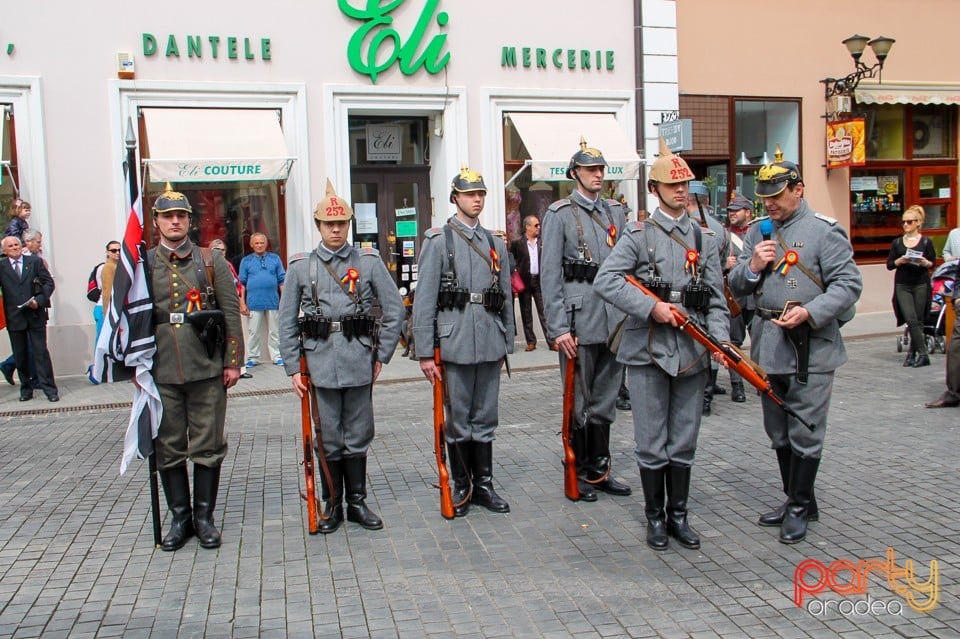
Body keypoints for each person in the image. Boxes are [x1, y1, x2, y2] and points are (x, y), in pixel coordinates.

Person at [594, 139, 728, 550]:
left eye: (685, 184)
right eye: (672, 186)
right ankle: (655, 518)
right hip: (649, 349)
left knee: (684, 438)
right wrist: (652, 307)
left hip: (692, 351)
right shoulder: (638, 235)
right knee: (651, 440)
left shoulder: (705, 239)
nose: (681, 191)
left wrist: (721, 343)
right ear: (654, 190)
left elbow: (717, 298)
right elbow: (607, 280)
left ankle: (679, 516)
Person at [727, 151, 862, 545]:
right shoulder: (758, 231)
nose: (769, 202)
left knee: (806, 427)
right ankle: (798, 498)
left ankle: (800, 507)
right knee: (778, 430)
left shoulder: (825, 231)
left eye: (778, 195)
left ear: (798, 190)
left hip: (811, 345)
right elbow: (736, 284)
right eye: (764, 195)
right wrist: (751, 266)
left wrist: (811, 312)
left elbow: (848, 285)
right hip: (770, 342)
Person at [279, 180, 403, 533]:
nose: (336, 229)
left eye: (342, 223)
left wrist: (383, 353)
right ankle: (333, 502)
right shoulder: (302, 267)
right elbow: (288, 319)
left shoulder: (368, 261)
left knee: (359, 433)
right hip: (319, 361)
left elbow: (394, 309)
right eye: (329, 224)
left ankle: (357, 502)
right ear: (318, 226)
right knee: (328, 435)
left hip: (359, 358)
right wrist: (292, 367)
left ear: (349, 224)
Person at [412, 166, 515, 517]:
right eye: (471, 194)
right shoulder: (439, 241)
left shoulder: (495, 242)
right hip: (454, 339)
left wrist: (508, 342)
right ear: (456, 198)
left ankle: (484, 484)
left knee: (485, 415)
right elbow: (424, 299)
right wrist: (425, 352)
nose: (477, 199)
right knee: (458, 417)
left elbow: (504, 296)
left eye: (481, 194)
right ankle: (462, 483)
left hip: (488, 338)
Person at [148, 185, 244, 551]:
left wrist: (232, 361)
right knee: (168, 446)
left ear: (189, 221)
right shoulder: (145, 264)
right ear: (157, 222)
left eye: (181, 216)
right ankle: (179, 518)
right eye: (168, 216)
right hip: (162, 369)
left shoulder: (209, 260)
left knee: (207, 444)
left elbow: (230, 311)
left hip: (205, 365)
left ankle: (204, 518)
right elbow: (135, 315)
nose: (175, 222)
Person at [540, 138, 632, 503]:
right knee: (578, 400)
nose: (597, 175)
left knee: (606, 398)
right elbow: (548, 276)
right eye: (590, 169)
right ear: (574, 173)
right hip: (579, 320)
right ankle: (578, 470)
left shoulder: (616, 213)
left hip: (614, 317)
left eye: (600, 169)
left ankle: (600, 469)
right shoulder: (560, 214)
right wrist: (558, 327)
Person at [687, 182, 731, 415]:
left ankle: (701, 398)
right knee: (713, 341)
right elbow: (724, 261)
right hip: (714, 288)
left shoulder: (688, 227)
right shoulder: (720, 229)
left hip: (691, 295)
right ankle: (707, 394)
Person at [0, 235, 59, 402]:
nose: (14, 248)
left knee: (40, 353)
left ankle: (50, 390)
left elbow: (49, 283)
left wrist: (39, 301)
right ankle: (26, 389)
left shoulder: (35, 262)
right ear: (5, 250)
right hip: (15, 317)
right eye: (10, 246)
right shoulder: (2, 266)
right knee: (20, 355)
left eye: (16, 244)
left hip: (35, 314)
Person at [887, 205, 935, 368]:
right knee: (910, 318)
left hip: (921, 283)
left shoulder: (926, 242)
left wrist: (925, 263)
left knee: (918, 320)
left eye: (909, 222)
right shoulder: (897, 243)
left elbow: (932, 263)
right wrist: (899, 261)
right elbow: (889, 265)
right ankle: (923, 353)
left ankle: (912, 354)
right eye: (904, 222)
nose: (906, 225)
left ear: (918, 223)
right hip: (903, 284)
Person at [724, 193, 756, 403]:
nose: (732, 214)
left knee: (762, 340)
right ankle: (737, 385)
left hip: (755, 297)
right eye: (730, 211)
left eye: (736, 210)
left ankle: (763, 378)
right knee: (734, 342)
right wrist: (724, 265)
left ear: (748, 212)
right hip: (734, 297)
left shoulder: (759, 234)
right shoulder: (724, 235)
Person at [239, 232, 285, 367]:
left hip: (273, 301)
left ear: (266, 244)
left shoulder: (275, 259)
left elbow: (282, 281)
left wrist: (284, 301)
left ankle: (277, 356)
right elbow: (242, 283)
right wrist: (242, 303)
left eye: (262, 243)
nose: (259, 245)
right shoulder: (246, 261)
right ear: (251, 245)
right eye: (257, 243)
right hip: (253, 302)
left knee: (275, 331)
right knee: (253, 332)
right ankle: (253, 358)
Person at [509, 215, 554, 352]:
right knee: (526, 313)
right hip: (525, 281)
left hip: (539, 281)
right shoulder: (517, 243)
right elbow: (512, 259)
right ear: (527, 227)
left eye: (539, 225)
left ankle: (551, 342)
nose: (538, 227)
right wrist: (515, 272)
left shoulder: (543, 241)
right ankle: (531, 341)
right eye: (536, 225)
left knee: (544, 312)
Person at [209, 239, 252, 379]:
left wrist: (241, 302)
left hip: (232, 306)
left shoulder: (228, 265)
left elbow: (238, 284)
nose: (220, 252)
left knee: (237, 335)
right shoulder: (208, 265)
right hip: (218, 308)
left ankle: (241, 368)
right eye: (216, 249)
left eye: (222, 250)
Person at [86, 241, 121, 384]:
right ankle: (96, 370)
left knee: (109, 341)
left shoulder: (117, 266)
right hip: (104, 308)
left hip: (111, 308)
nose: (117, 253)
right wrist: (107, 313)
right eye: (113, 250)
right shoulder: (106, 267)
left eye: (119, 250)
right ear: (107, 252)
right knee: (102, 341)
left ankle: (104, 370)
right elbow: (107, 292)